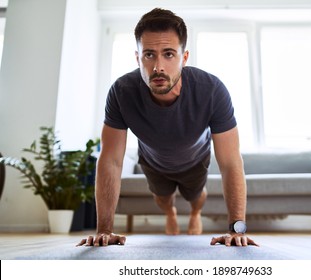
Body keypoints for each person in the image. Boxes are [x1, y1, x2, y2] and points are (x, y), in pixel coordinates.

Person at [78, 8, 258, 247]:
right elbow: (110, 160)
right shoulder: (121, 92)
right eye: (149, 55)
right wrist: (104, 230)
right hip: (153, 161)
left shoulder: (212, 90)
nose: (158, 67)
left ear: (184, 58)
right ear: (138, 58)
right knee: (163, 200)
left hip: (195, 159)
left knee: (195, 197)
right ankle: (171, 213)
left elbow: (231, 162)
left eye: (169, 54)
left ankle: (194, 213)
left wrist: (237, 229)